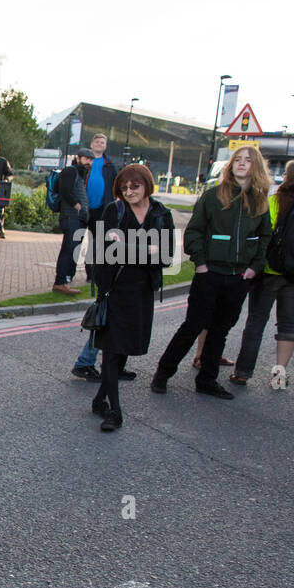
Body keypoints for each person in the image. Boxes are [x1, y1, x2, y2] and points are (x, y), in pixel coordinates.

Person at [151, 146, 273, 399]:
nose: (241, 164)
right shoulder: (213, 195)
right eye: (237, 160)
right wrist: (202, 264)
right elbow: (194, 231)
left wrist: (254, 268)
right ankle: (162, 373)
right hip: (210, 274)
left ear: (256, 167)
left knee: (220, 330)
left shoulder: (260, 200)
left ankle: (207, 380)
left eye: (248, 160)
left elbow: (264, 237)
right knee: (193, 326)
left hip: (239, 277)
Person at [86, 165, 173, 431]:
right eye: (124, 187)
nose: (129, 191)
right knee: (111, 353)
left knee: (123, 352)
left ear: (146, 184)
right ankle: (114, 411)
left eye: (134, 186)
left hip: (142, 293)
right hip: (114, 290)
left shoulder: (161, 213)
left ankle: (100, 399)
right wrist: (147, 248)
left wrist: (127, 246)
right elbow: (107, 251)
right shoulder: (115, 210)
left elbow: (166, 257)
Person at [231, 158, 294, 390]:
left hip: (270, 271)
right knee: (287, 323)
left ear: (287, 176)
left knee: (256, 322)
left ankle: (243, 372)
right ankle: (279, 374)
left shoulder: (274, 201)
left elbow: (265, 234)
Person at [72, 134, 124, 377]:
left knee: (99, 245)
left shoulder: (110, 165)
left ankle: (113, 365)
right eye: (97, 142)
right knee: (81, 244)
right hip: (88, 210)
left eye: (103, 143)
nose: (99, 146)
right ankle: (88, 273)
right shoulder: (83, 164)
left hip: (103, 210)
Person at [53, 147, 93, 295]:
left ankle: (66, 280)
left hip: (78, 218)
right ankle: (60, 282)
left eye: (90, 160)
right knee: (68, 250)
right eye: (86, 159)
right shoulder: (70, 171)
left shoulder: (81, 174)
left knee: (73, 250)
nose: (88, 162)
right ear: (78, 158)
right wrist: (77, 204)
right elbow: (64, 190)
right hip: (71, 217)